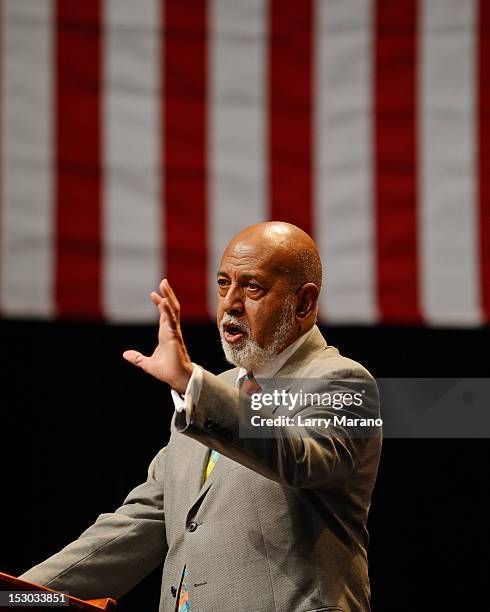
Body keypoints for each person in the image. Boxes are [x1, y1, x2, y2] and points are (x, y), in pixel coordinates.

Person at [19, 222, 382, 611]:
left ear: (303, 303)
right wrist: (19, 595)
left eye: (252, 287)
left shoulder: (342, 381)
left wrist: (192, 384)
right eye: (224, 284)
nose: (231, 302)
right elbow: (139, 522)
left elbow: (302, 458)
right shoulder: (211, 394)